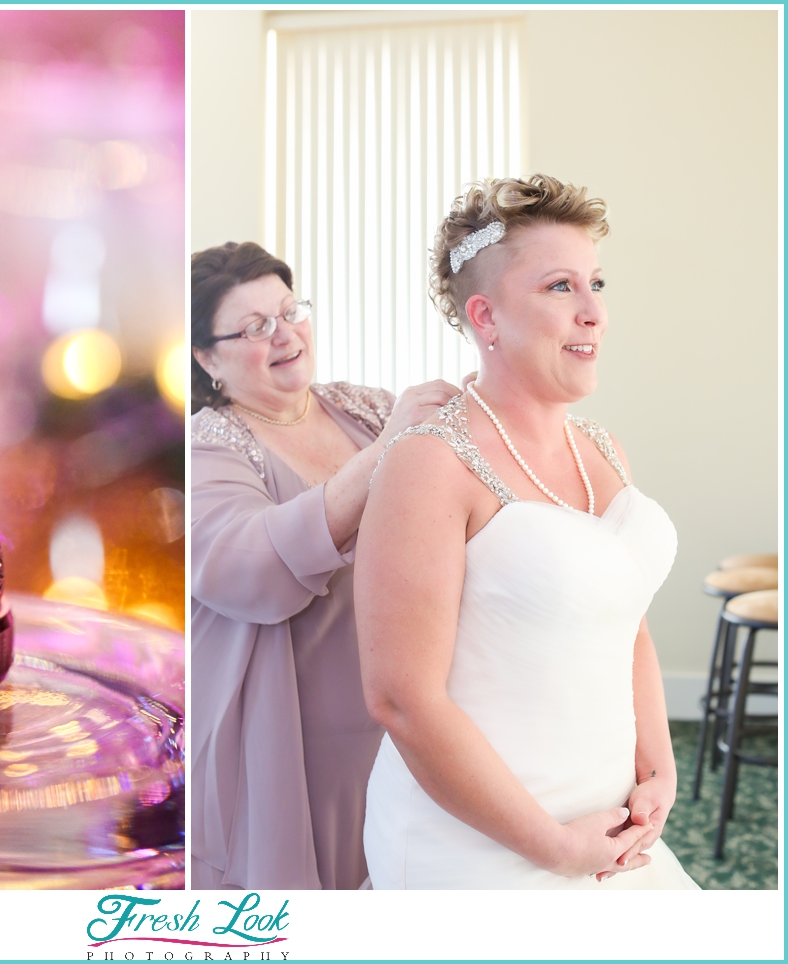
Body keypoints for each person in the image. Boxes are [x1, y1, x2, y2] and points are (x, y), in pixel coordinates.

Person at [355, 174, 699, 888]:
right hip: (482, 847)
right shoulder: (428, 464)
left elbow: (626, 621)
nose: (593, 312)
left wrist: (657, 767)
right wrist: (554, 849)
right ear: (487, 317)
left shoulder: (603, 449)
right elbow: (400, 697)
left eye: (596, 284)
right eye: (559, 288)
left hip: (610, 826)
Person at [189, 241, 464, 889]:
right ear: (208, 357)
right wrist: (389, 454)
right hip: (302, 735)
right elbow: (245, 563)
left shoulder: (364, 408)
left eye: (290, 311)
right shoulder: (208, 446)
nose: (284, 335)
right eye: (254, 327)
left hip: (408, 707)